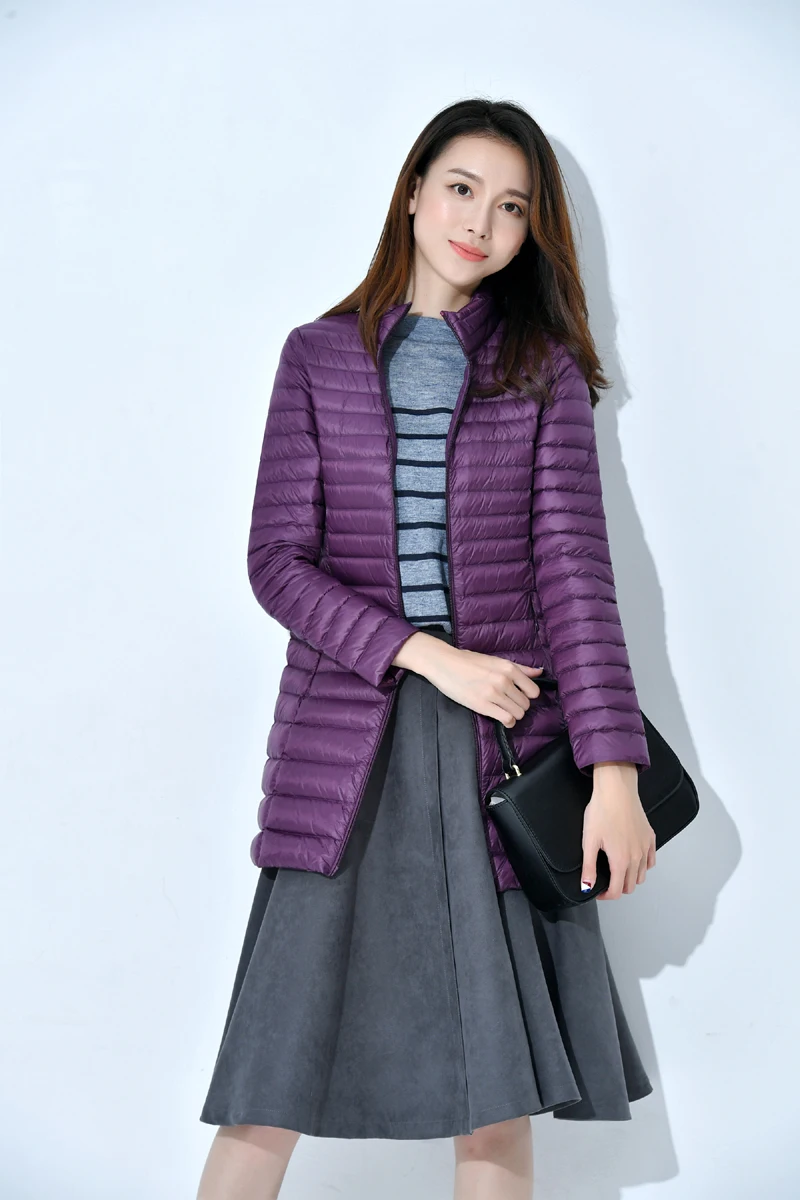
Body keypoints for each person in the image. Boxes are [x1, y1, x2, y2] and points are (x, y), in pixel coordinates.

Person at [196, 97, 656, 1200]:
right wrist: (425, 654)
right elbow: (277, 563)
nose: (479, 223)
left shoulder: (539, 371)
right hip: (347, 752)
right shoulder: (317, 357)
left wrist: (614, 774)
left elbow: (575, 579)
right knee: (268, 1078)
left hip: (499, 752)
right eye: (460, 189)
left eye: (511, 207)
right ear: (411, 191)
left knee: (496, 1096)